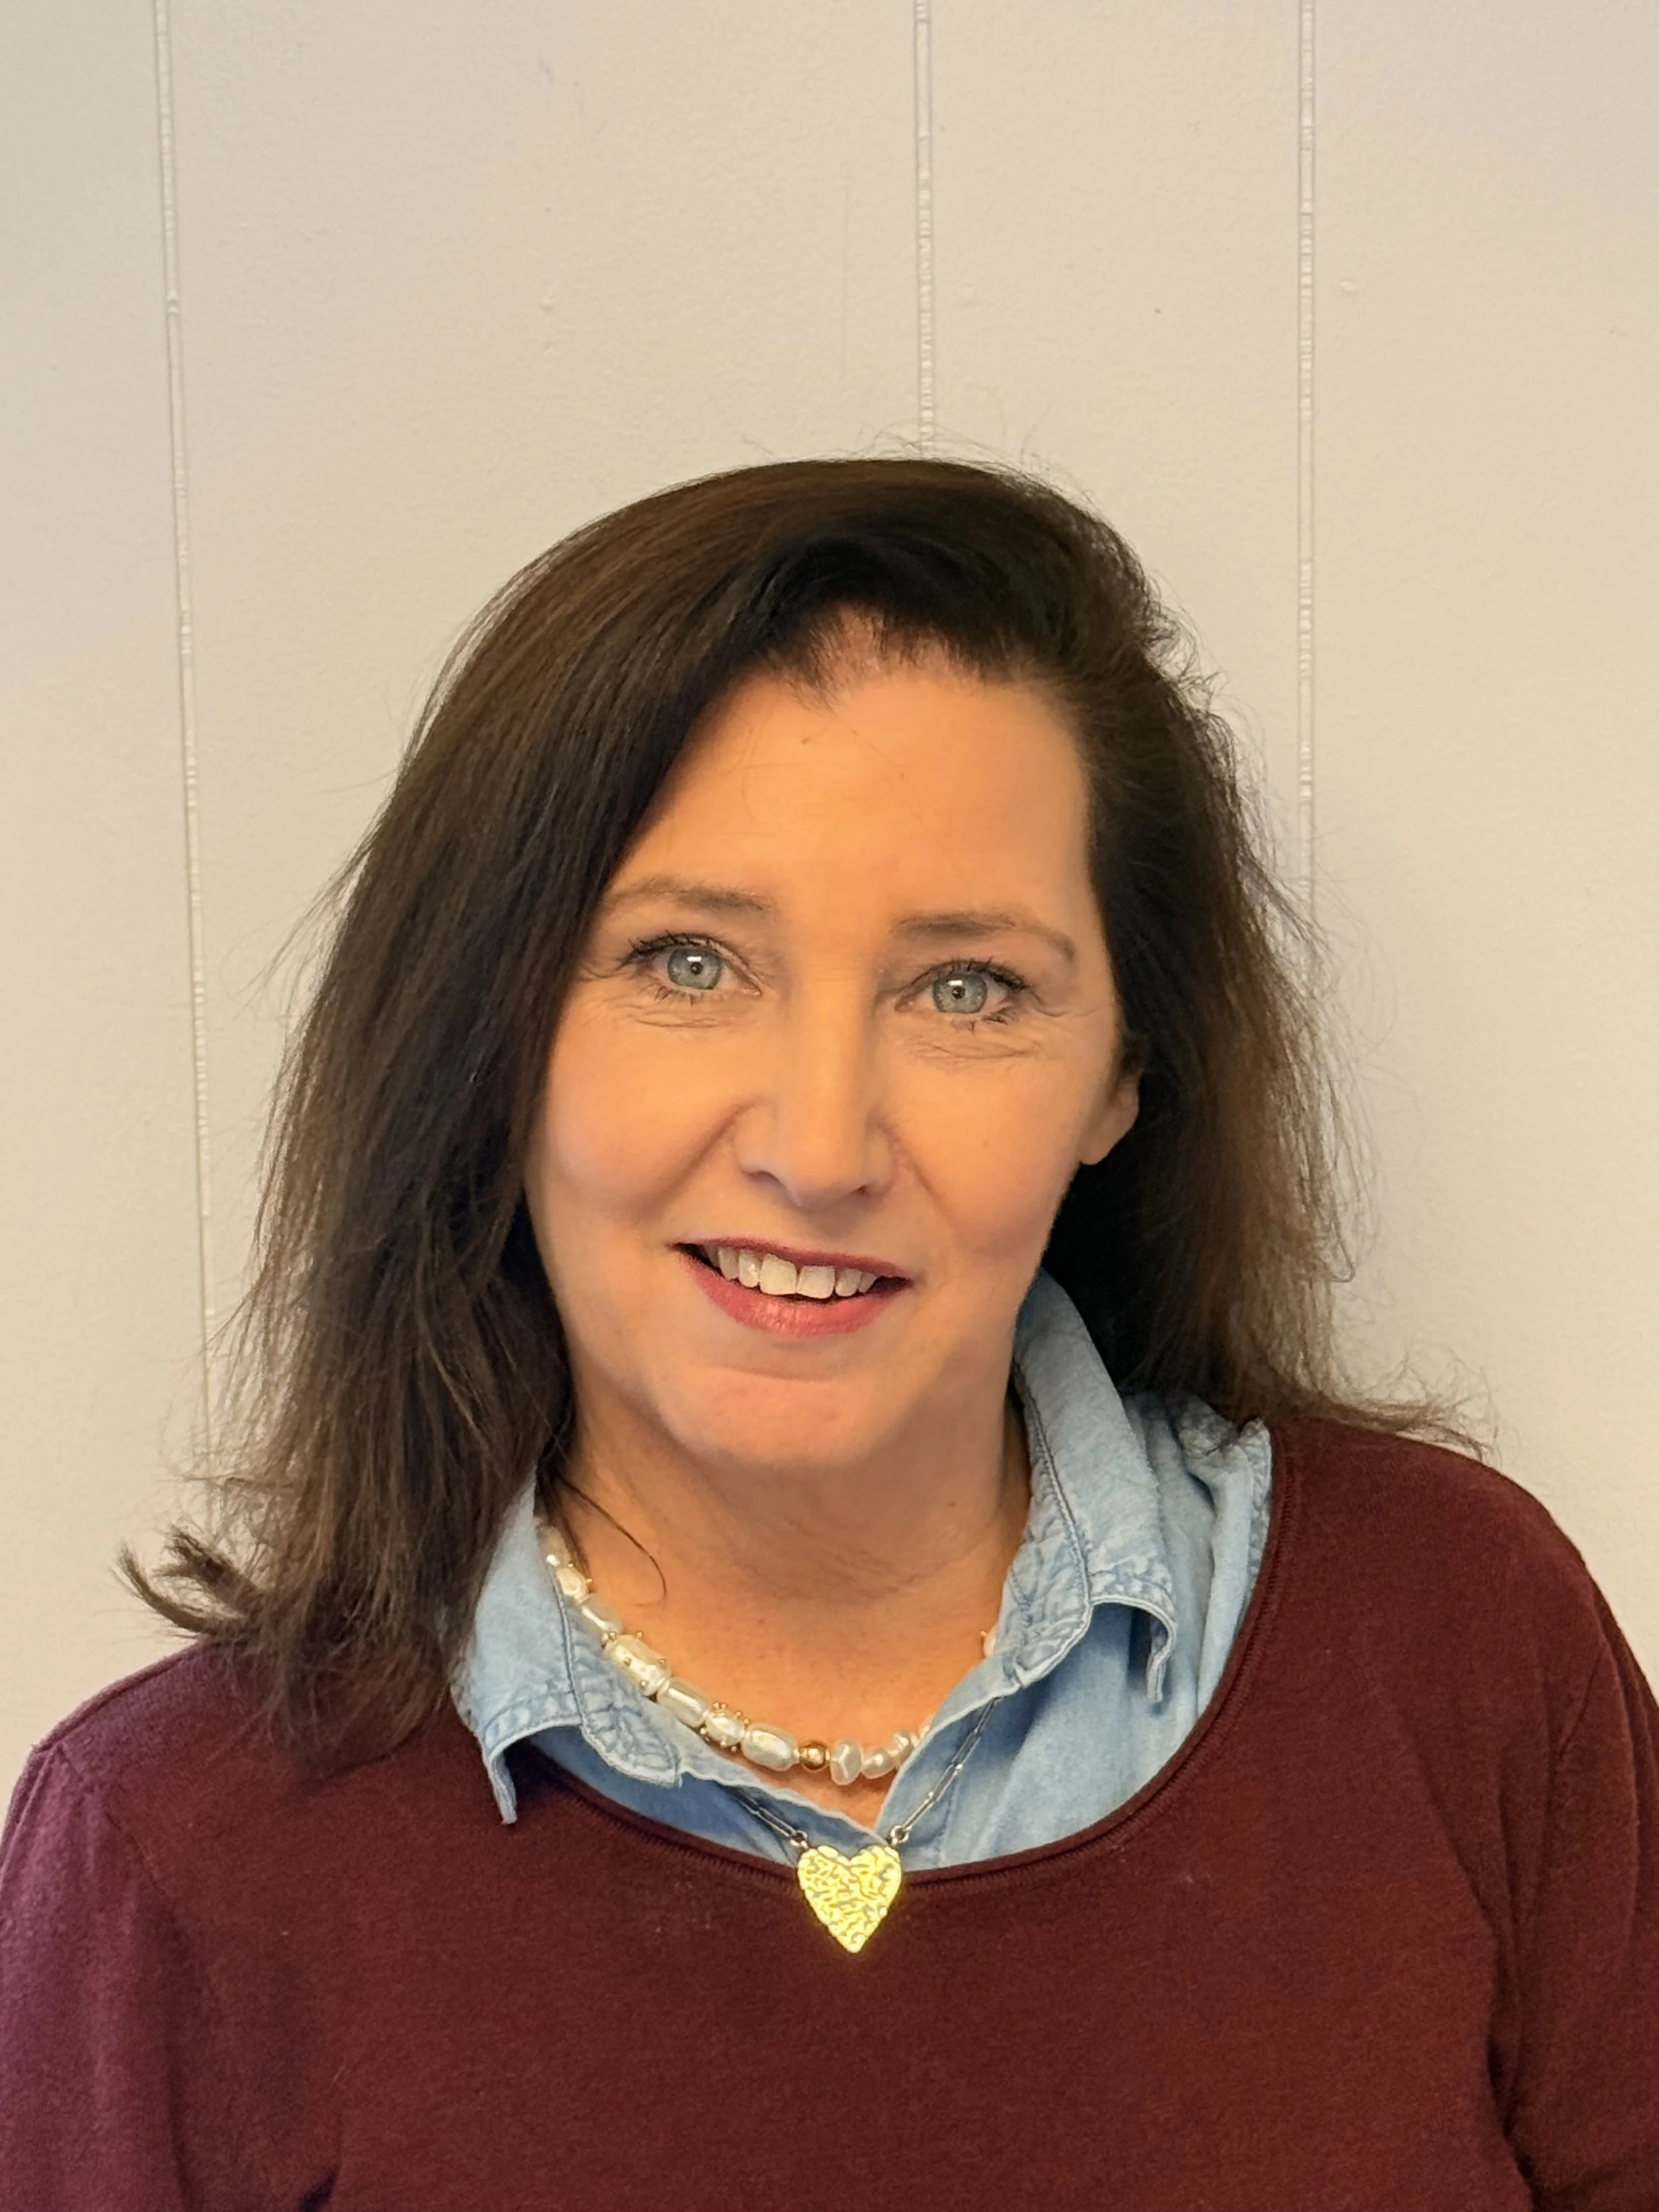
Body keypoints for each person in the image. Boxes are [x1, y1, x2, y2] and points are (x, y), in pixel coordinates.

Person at [1, 457, 1654, 2210]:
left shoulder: (1454, 1645)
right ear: (494, 1025)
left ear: (1120, 1073)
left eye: (967, 987)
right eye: (688, 961)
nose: (816, 1143)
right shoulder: (173, 1854)